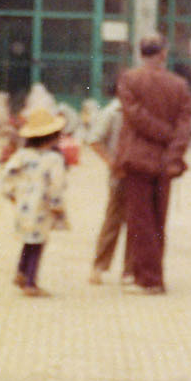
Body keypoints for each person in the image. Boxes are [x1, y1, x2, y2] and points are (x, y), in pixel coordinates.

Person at [113, 33, 191, 294]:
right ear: (163, 53)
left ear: (140, 53)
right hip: (166, 161)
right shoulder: (179, 85)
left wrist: (163, 134)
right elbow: (185, 125)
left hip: (137, 157)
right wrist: (173, 151)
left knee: (140, 221)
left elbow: (135, 116)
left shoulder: (129, 80)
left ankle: (148, 279)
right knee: (159, 219)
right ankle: (152, 273)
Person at [1, 107, 67, 297]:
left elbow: (8, 174)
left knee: (28, 239)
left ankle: (21, 272)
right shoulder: (54, 159)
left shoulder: (22, 155)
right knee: (38, 243)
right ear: (53, 137)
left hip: (24, 205)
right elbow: (56, 185)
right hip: (42, 207)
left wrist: (12, 194)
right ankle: (31, 282)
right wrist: (57, 206)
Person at [87, 90, 132, 285]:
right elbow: (94, 140)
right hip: (119, 177)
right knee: (113, 221)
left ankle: (130, 270)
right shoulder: (112, 112)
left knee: (136, 224)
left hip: (140, 175)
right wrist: (112, 163)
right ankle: (99, 266)